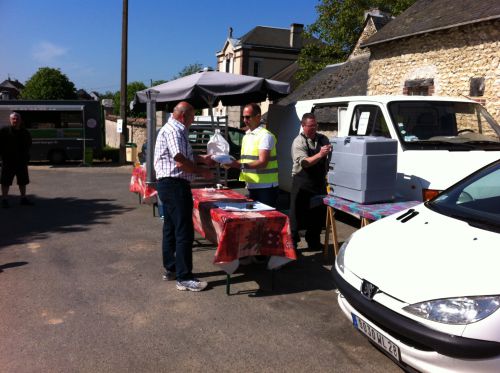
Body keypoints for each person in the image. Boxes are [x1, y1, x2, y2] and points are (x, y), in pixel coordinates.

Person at [154, 101, 214, 292]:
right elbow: (179, 160)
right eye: (192, 117)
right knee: (184, 232)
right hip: (174, 185)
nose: (193, 120)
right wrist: (201, 172)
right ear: (183, 116)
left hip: (168, 185)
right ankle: (184, 277)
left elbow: (183, 154)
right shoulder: (174, 130)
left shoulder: (174, 129)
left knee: (171, 228)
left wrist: (201, 158)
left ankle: (172, 268)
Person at [290, 113, 331, 252]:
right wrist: (320, 154)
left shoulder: (323, 139)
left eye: (315, 126)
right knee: (296, 215)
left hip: (318, 182)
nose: (313, 129)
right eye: (310, 126)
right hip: (302, 182)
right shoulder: (298, 142)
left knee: (318, 214)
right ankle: (292, 244)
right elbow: (305, 163)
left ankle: (313, 241)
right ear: (303, 125)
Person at [227, 103, 279, 207]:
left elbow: (263, 162)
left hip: (266, 188)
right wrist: (230, 163)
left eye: (248, 117)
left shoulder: (265, 136)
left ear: (258, 117)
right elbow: (245, 160)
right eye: (243, 117)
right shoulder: (247, 135)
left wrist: (238, 165)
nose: (245, 120)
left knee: (265, 220)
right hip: (252, 184)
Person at [0, 112, 33, 208]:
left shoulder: (25, 132)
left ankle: (23, 199)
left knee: (23, 181)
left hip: (21, 161)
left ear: (20, 120)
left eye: (17, 118)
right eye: (13, 119)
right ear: (10, 120)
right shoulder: (4, 131)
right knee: (5, 181)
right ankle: (4, 200)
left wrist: (26, 156)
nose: (15, 120)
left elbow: (29, 144)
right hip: (8, 161)